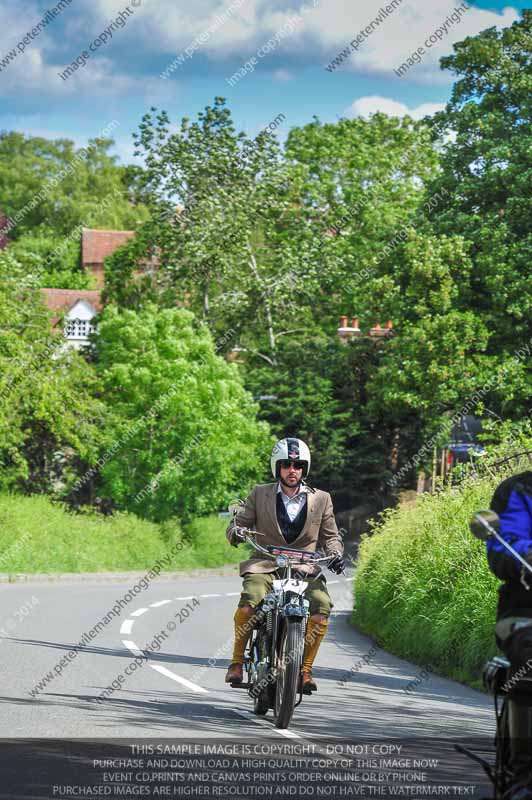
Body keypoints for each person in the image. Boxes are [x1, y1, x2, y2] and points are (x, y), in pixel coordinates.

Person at [224, 437, 345, 693]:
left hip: (304, 569)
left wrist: (334, 553)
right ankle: (236, 663)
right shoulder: (259, 493)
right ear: (277, 467)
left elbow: (331, 536)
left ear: (305, 469)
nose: (293, 470)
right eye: (287, 464)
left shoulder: (321, 499)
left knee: (321, 609)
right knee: (249, 604)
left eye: (298, 465)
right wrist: (236, 530)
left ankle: (304, 670)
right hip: (265, 564)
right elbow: (242, 521)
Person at [484, 471, 532, 800]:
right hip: (523, 609)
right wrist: (526, 557)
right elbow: (504, 543)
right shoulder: (521, 490)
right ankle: (523, 771)